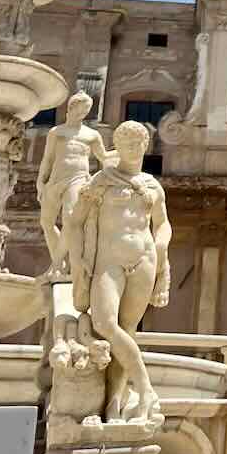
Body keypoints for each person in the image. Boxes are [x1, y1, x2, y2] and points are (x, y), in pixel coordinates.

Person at [65, 120, 170, 425]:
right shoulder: (102, 181)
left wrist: (162, 249)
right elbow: (73, 221)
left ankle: (113, 405)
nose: (132, 149)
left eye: (137, 144)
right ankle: (146, 388)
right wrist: (77, 258)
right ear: (117, 148)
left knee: (127, 329)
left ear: (145, 147)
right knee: (106, 324)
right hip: (109, 260)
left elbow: (162, 223)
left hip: (145, 259)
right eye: (125, 145)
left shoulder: (153, 185)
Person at [37, 91, 114, 274]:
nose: (84, 112)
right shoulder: (56, 132)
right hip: (55, 179)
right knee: (46, 222)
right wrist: (41, 182)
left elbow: (103, 157)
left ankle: (56, 264)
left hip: (78, 179)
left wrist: (125, 151)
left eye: (86, 109)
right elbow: (47, 159)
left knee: (70, 219)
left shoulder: (92, 135)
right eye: (81, 108)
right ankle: (60, 260)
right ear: (71, 107)